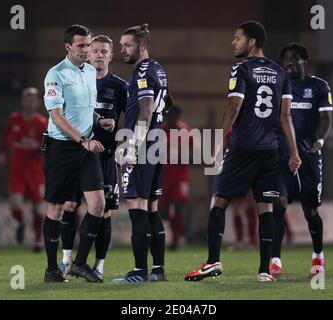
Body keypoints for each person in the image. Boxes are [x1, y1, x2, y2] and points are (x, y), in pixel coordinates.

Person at [184, 21, 301, 282]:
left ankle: (213, 262)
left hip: (243, 147)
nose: (233, 42)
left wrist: (216, 142)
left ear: (252, 42)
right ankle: (264, 271)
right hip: (271, 150)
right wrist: (294, 152)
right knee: (266, 207)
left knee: (219, 200)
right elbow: (286, 116)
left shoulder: (241, 68)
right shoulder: (280, 72)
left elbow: (234, 107)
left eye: (237, 38)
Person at [42, 24, 115, 283]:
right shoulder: (56, 74)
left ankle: (80, 263)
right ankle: (52, 269)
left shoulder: (89, 73)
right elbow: (56, 116)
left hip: (86, 148)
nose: (87, 50)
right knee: (57, 208)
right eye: (82, 45)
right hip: (62, 148)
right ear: (68, 47)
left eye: (89, 44)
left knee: (98, 204)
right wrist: (83, 140)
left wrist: (99, 119)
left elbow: (82, 108)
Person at [58, 34, 128, 282]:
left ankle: (98, 265)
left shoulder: (120, 87)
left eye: (103, 51)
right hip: (76, 154)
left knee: (104, 211)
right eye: (94, 50)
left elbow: (132, 118)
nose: (98, 54)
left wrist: (127, 144)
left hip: (105, 157)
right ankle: (67, 260)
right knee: (68, 205)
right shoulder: (74, 81)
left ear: (111, 55)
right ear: (87, 53)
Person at [269, 43, 333, 277]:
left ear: (305, 61)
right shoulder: (278, 87)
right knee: (279, 206)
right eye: (286, 59)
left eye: (294, 59)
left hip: (308, 156)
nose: (289, 63)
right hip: (282, 157)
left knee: (311, 212)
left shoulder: (318, 87)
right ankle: (275, 260)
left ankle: (318, 256)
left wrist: (321, 141)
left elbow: (326, 118)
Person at [112, 24, 170, 283]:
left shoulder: (143, 72)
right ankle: (157, 270)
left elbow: (146, 111)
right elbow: (167, 104)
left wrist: (133, 146)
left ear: (142, 46)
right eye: (122, 45)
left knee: (137, 207)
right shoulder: (159, 69)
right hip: (157, 141)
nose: (122, 50)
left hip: (143, 144)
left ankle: (139, 272)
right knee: (152, 209)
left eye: (127, 45)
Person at [0, 87, 47, 252]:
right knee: (15, 205)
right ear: (22, 101)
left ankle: (37, 241)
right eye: (26, 99)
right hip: (17, 169)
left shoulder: (41, 122)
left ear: (37, 102)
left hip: (35, 170)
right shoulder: (14, 119)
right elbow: (6, 138)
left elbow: (47, 145)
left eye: (32, 99)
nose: (29, 102)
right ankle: (22, 223)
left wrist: (36, 146)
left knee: (38, 209)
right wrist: (3, 154)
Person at [159, 105, 192, 250]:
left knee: (179, 209)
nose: (172, 120)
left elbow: (192, 156)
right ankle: (172, 234)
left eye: (174, 117)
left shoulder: (184, 131)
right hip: (164, 176)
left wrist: (180, 156)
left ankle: (177, 239)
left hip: (180, 177)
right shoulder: (161, 131)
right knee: (164, 212)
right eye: (169, 117)